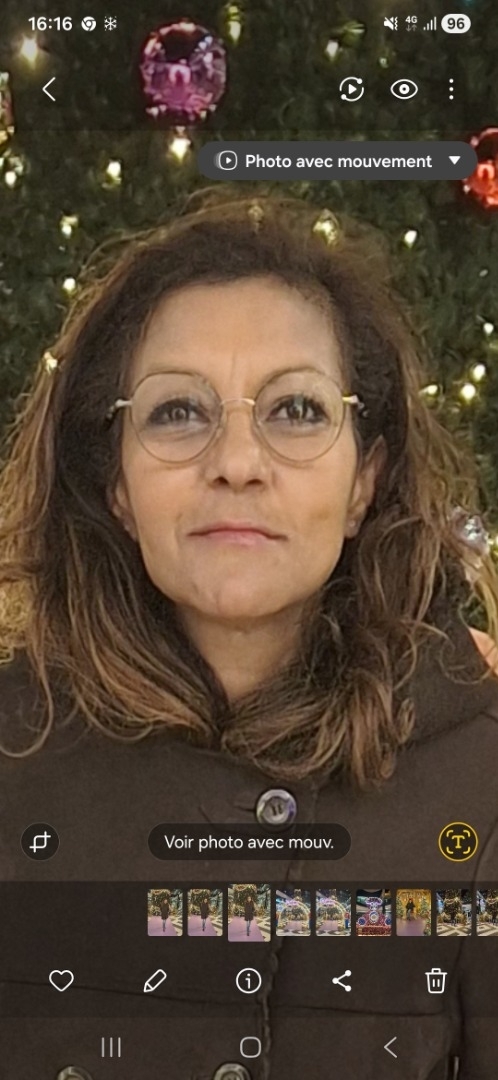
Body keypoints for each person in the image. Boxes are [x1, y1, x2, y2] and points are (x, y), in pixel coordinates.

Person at [0, 188, 498, 1078]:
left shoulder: (480, 768)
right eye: (177, 411)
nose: (235, 463)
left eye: (296, 409)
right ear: (117, 487)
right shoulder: (15, 748)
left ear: (364, 481)